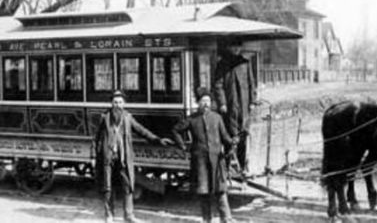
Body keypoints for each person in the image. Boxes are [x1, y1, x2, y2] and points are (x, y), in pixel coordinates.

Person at [95, 90, 173, 223]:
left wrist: (158, 140)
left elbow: (142, 131)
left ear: (124, 104)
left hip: (124, 159)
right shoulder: (104, 118)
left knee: (128, 186)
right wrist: (94, 156)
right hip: (108, 158)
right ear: (111, 104)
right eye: (115, 102)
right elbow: (97, 138)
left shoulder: (128, 118)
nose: (117, 105)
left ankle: (129, 215)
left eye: (120, 102)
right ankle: (109, 215)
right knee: (108, 187)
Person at [172, 88, 236, 223]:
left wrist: (233, 142)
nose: (206, 104)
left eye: (208, 101)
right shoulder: (192, 119)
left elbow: (225, 137)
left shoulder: (217, 118)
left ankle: (226, 219)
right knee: (204, 192)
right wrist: (183, 146)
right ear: (198, 103)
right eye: (203, 101)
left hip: (217, 161)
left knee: (221, 191)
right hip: (200, 162)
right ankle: (207, 219)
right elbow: (176, 130)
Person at [213, 42, 256, 171]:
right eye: (233, 46)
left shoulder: (245, 63)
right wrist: (222, 103)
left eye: (238, 46)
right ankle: (227, 167)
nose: (236, 49)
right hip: (230, 105)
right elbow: (218, 85)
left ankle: (241, 166)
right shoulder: (222, 64)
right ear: (228, 47)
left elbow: (251, 83)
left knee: (243, 133)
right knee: (229, 134)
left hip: (244, 104)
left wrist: (252, 101)